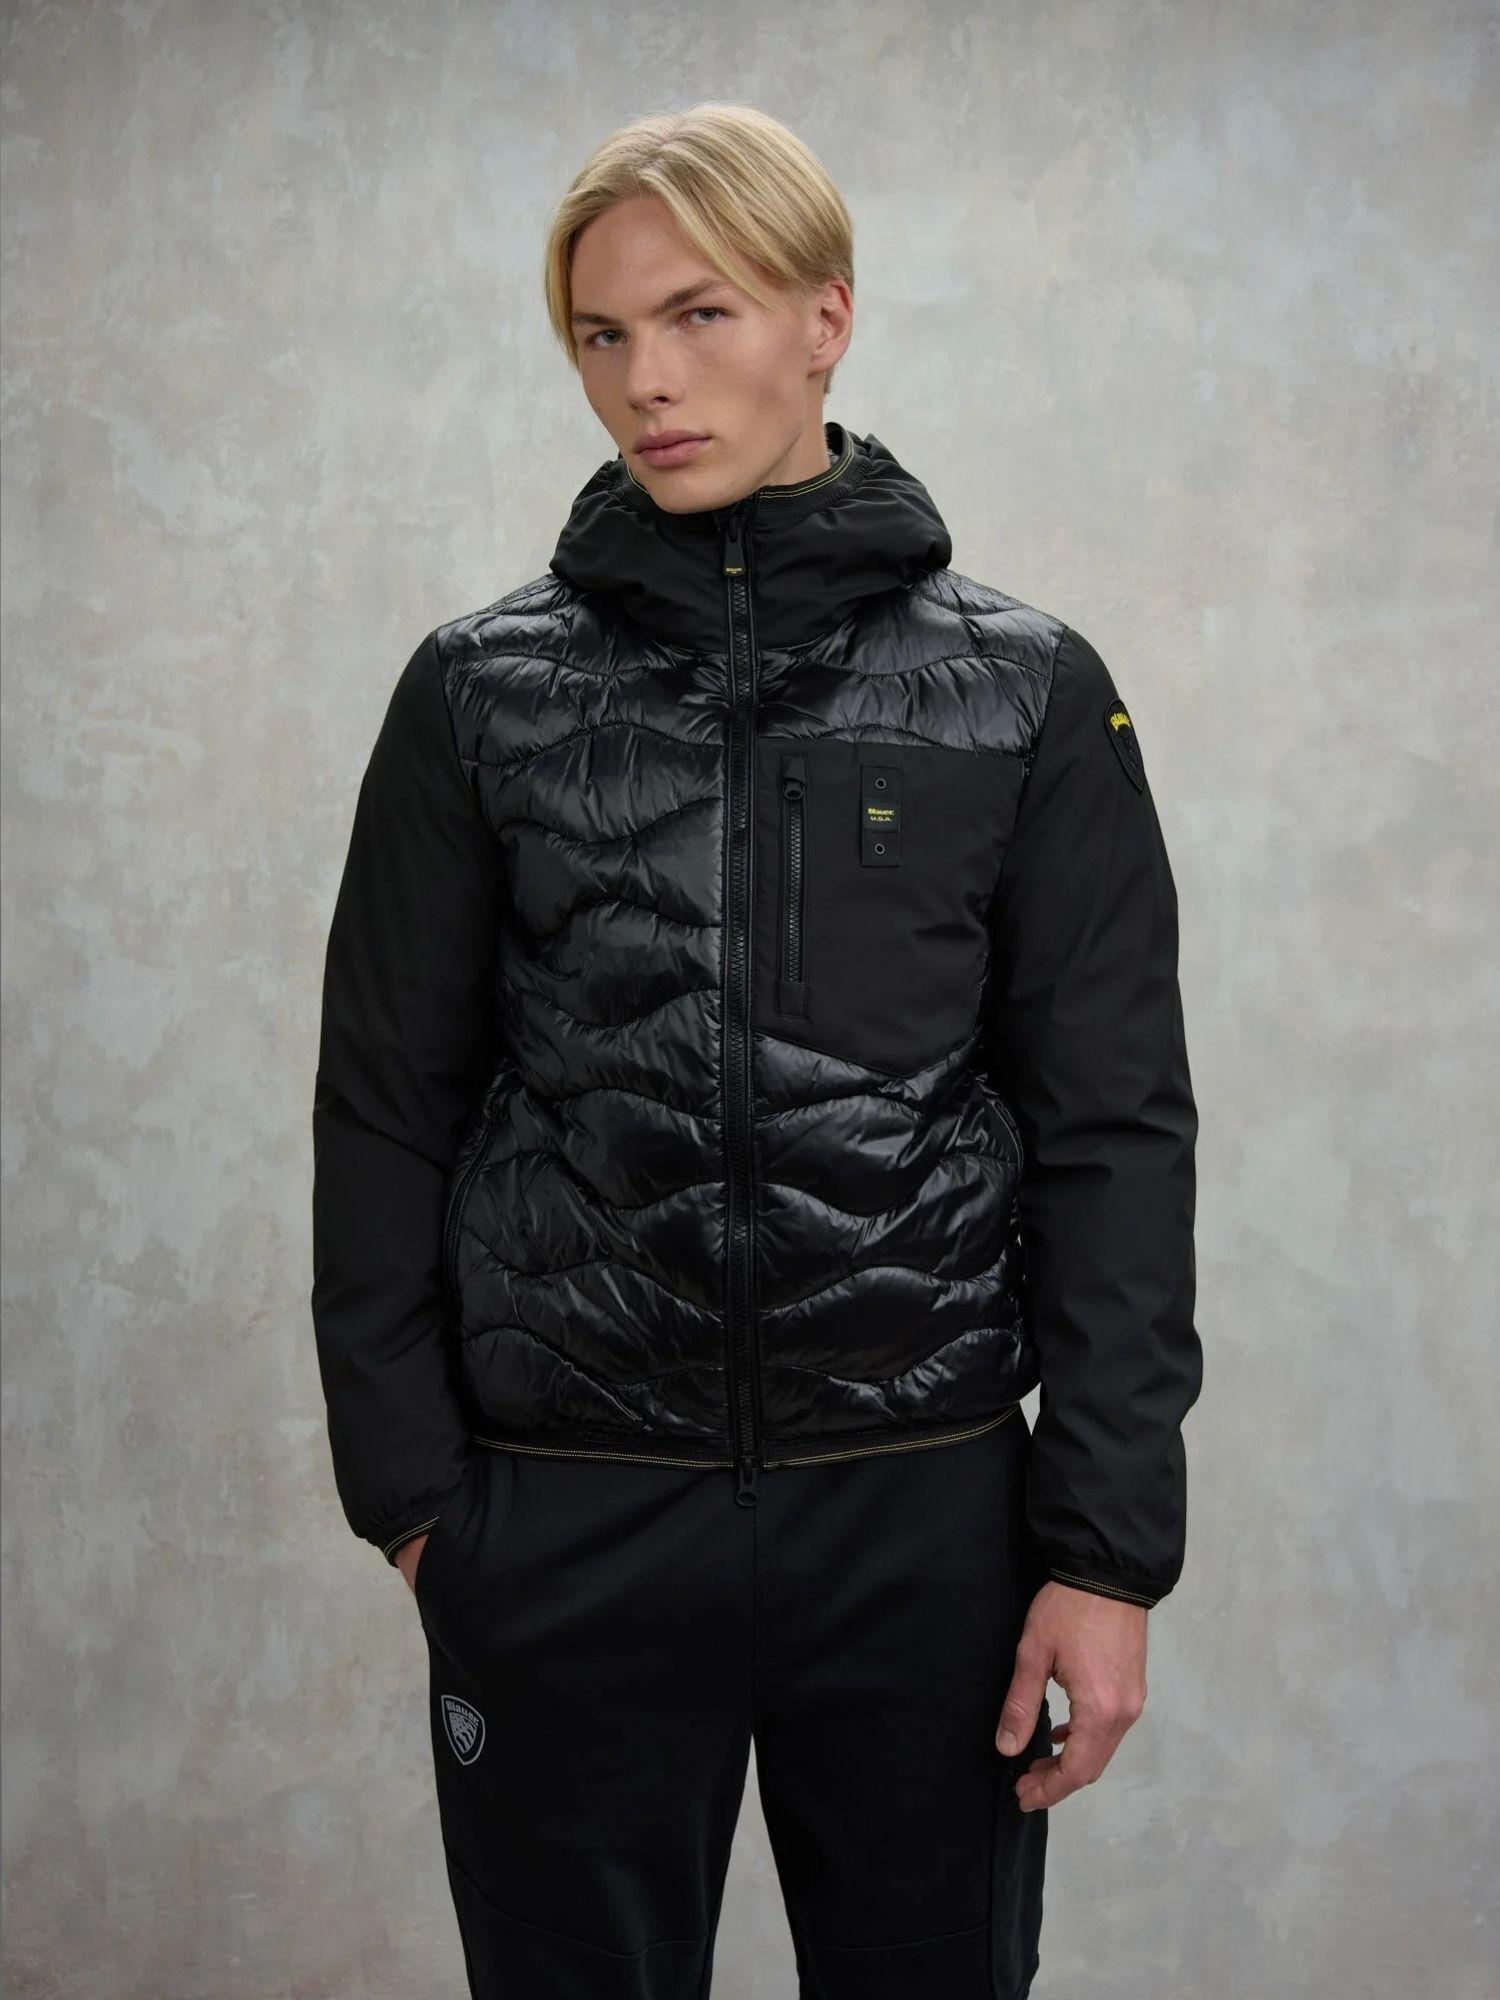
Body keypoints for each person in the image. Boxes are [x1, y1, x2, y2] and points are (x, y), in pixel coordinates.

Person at [310, 100, 1201, 2000]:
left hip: (923, 1522)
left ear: (826, 319)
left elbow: (1114, 1135)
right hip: (565, 1513)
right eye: (602, 333)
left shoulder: (1026, 693)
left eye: (698, 314)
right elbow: (383, 1109)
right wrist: (421, 1510)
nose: (646, 379)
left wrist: (1106, 1554)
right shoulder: (477, 695)